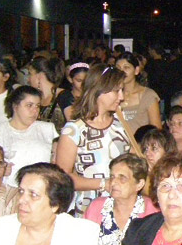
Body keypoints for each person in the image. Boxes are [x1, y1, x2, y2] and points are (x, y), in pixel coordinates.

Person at [55, 65, 132, 217]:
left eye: (122, 90)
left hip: (123, 205)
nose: (121, 97)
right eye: (116, 91)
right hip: (90, 209)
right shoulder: (74, 130)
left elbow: (132, 154)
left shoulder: (119, 121)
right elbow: (62, 178)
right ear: (99, 90)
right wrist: (103, 183)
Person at [84, 153, 159, 245]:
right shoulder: (96, 207)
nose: (113, 182)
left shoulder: (152, 211)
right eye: (112, 177)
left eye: (122, 178)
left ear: (139, 184)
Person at [0, 86, 57, 187]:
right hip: (9, 189)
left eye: (37, 106)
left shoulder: (48, 129)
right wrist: (0, 169)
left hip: (44, 186)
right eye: (29, 105)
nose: (34, 111)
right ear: (15, 106)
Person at [115, 52, 162, 136]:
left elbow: (157, 131)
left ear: (136, 70)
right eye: (118, 68)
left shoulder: (148, 96)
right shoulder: (112, 95)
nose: (121, 72)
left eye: (126, 67)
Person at [27, 57, 66, 133]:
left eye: (30, 74)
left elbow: (74, 125)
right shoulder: (34, 98)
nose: (28, 79)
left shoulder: (63, 96)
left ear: (40, 76)